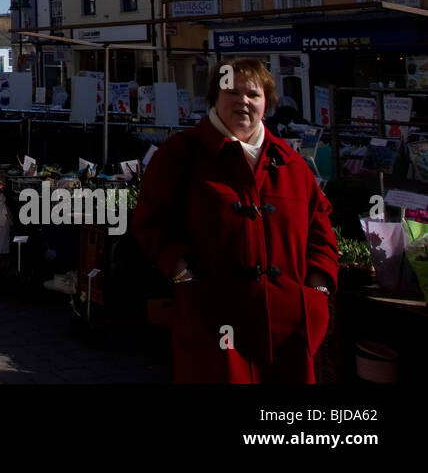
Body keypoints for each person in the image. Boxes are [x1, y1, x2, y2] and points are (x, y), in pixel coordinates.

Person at [131, 57, 338, 383]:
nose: (243, 101)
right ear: (215, 97)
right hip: (213, 323)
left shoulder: (290, 163)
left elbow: (321, 227)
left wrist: (317, 290)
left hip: (288, 334)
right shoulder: (180, 154)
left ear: (266, 103)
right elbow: (150, 222)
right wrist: (183, 276)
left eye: (253, 94)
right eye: (232, 91)